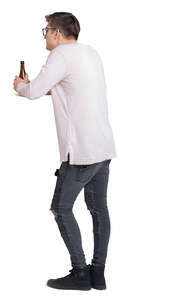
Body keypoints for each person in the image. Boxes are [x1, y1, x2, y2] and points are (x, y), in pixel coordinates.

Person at [13, 12, 117, 291]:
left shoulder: (59, 56)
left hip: (80, 151)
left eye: (46, 30)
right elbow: (70, 89)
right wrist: (36, 87)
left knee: (60, 207)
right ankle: (98, 273)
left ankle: (80, 273)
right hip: (103, 146)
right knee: (98, 210)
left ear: (57, 33)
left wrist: (20, 86)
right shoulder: (90, 53)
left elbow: (34, 91)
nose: (45, 35)